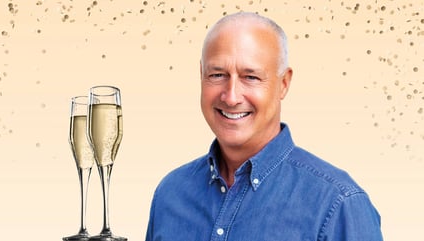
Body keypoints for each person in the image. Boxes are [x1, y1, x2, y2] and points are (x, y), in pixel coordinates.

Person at [145, 12, 383, 241]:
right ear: (201, 75)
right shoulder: (170, 194)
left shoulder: (339, 204)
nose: (231, 96)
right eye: (217, 75)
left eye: (251, 77)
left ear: (284, 84)